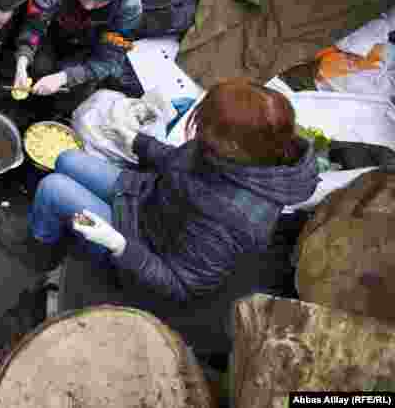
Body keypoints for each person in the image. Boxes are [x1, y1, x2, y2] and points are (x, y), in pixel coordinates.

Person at [28, 78, 320, 302]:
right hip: (147, 199)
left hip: (142, 245)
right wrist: (138, 142)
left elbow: (181, 284)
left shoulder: (233, 220)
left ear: (232, 145)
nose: (198, 134)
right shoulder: (244, 148)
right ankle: (58, 227)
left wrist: (117, 244)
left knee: (53, 188)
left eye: (204, 129)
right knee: (67, 159)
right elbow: (183, 163)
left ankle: (42, 248)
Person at [13, 0, 144, 117]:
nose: (88, 5)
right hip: (55, 35)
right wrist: (22, 60)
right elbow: (34, 25)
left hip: (91, 51)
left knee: (73, 95)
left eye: (100, 1)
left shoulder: (129, 8)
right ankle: (28, 109)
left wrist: (66, 77)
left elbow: (109, 59)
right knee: (39, 69)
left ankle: (56, 115)